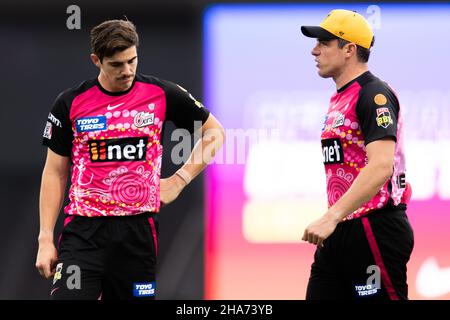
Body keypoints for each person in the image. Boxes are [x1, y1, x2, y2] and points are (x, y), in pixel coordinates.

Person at [35, 19, 224, 300]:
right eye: (117, 65)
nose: (127, 71)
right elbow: (54, 172)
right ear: (96, 60)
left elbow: (215, 133)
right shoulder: (70, 103)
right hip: (83, 234)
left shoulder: (162, 94)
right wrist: (45, 238)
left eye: (132, 60)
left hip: (137, 235)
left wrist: (179, 179)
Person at [300, 9, 414, 300]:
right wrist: (335, 219)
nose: (314, 50)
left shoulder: (374, 95)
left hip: (374, 227)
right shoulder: (341, 96)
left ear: (349, 49)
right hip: (342, 228)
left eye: (324, 42)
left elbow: (380, 167)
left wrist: (331, 217)